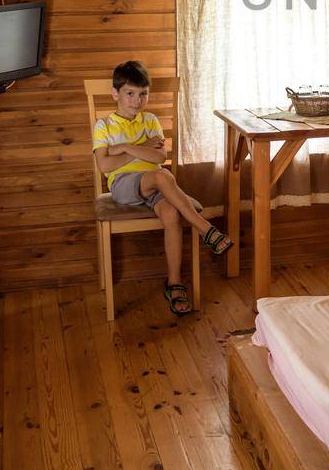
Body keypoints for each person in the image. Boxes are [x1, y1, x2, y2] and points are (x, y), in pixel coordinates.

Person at [93, 60, 232, 316]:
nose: (137, 100)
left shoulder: (150, 120)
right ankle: (205, 229)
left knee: (170, 212)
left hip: (153, 182)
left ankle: (174, 284)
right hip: (123, 185)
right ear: (116, 94)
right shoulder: (104, 126)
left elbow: (158, 157)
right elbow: (104, 163)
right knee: (161, 176)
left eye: (143, 94)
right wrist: (143, 147)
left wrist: (124, 147)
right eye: (130, 94)